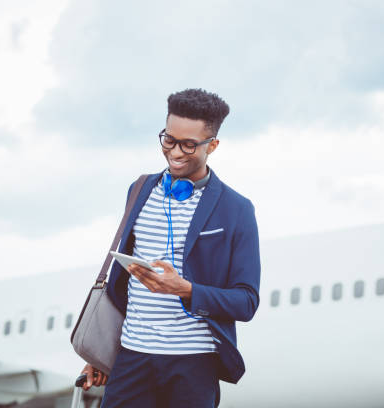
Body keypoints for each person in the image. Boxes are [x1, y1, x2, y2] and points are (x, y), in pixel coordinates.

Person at [80, 88, 261, 407]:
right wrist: (102, 353)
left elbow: (246, 301)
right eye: (169, 140)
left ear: (213, 145)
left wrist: (186, 289)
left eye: (189, 144)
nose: (175, 152)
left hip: (192, 365)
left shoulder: (236, 209)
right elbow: (123, 285)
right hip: (131, 359)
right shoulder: (139, 190)